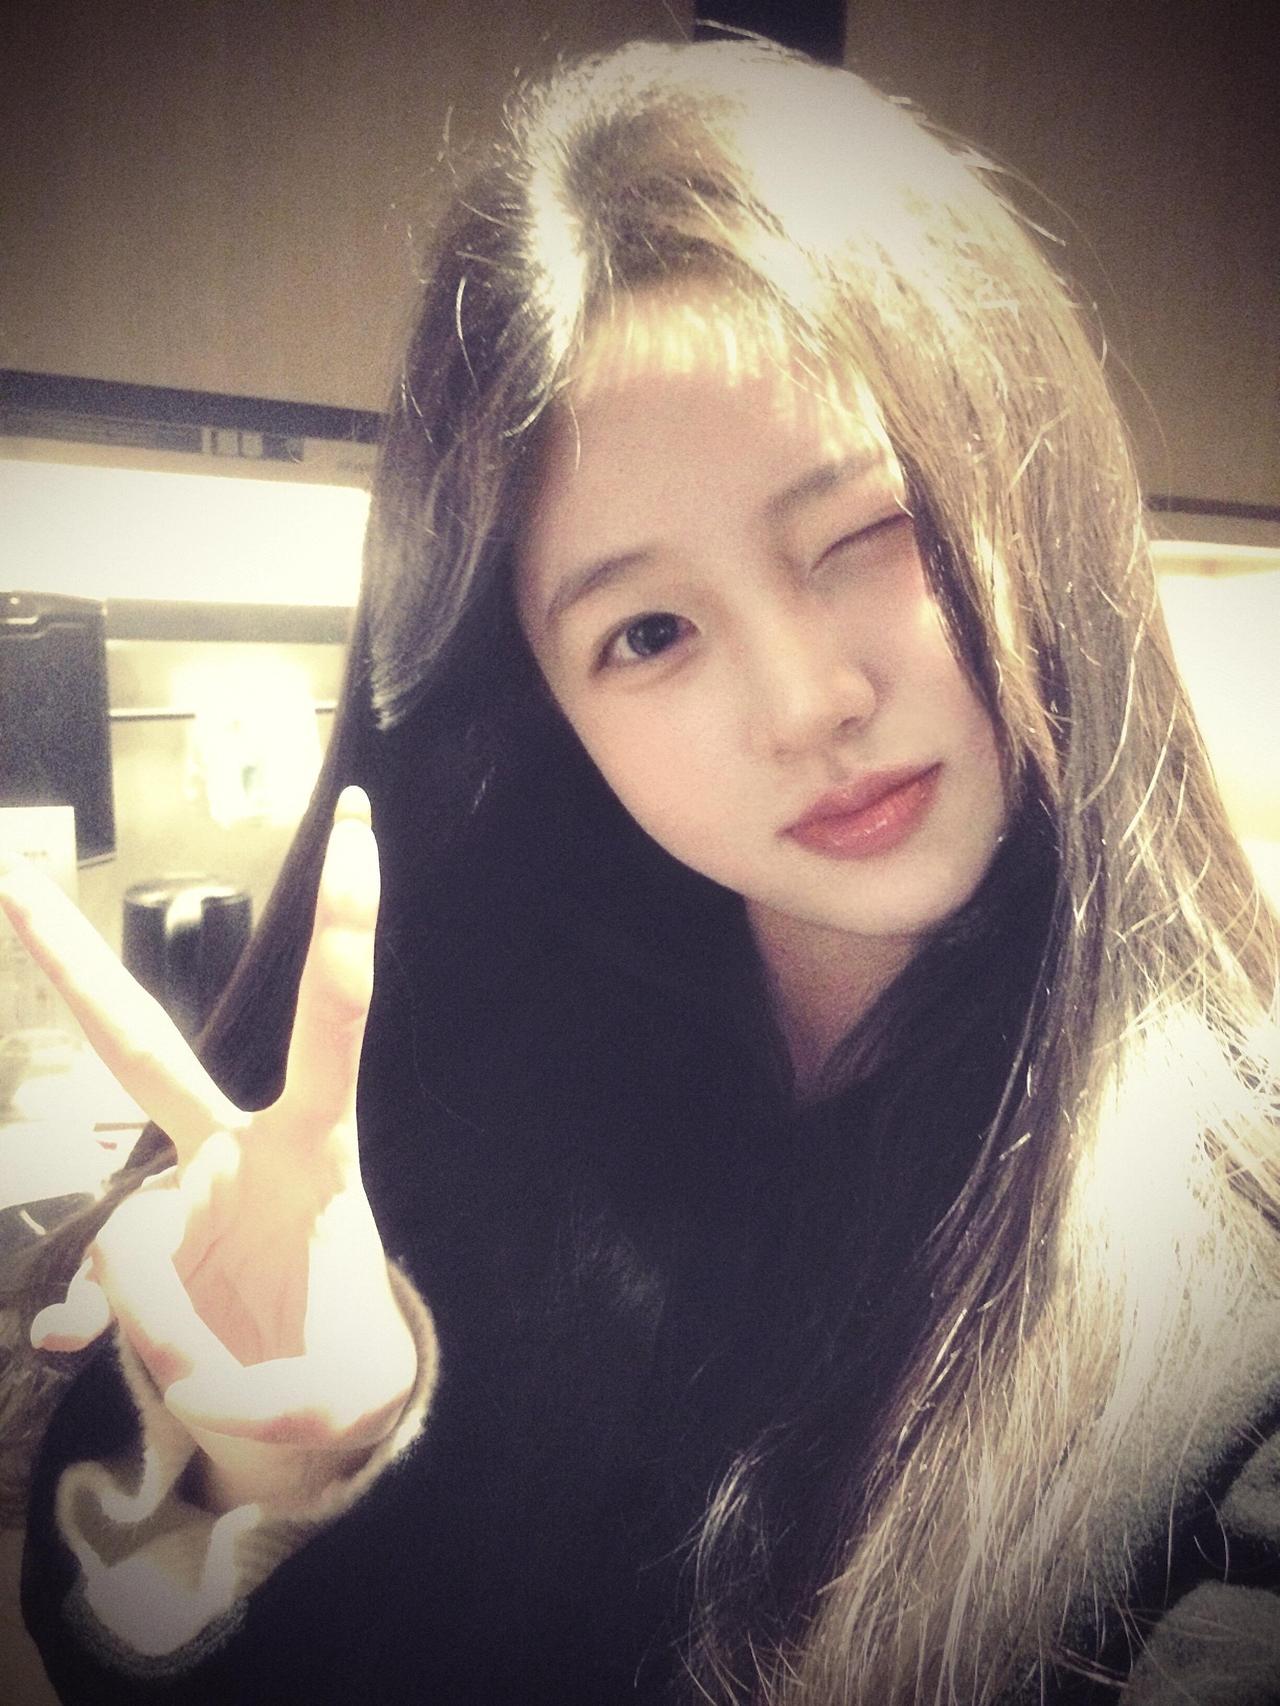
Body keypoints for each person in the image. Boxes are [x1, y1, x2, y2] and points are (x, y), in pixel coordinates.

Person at [3, 33, 1279, 1706]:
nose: (806, 702)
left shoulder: (1234, 1275)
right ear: (547, 705)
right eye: (650, 631)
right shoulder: (460, 1091)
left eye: (868, 531)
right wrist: (275, 1476)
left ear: (1028, 498)